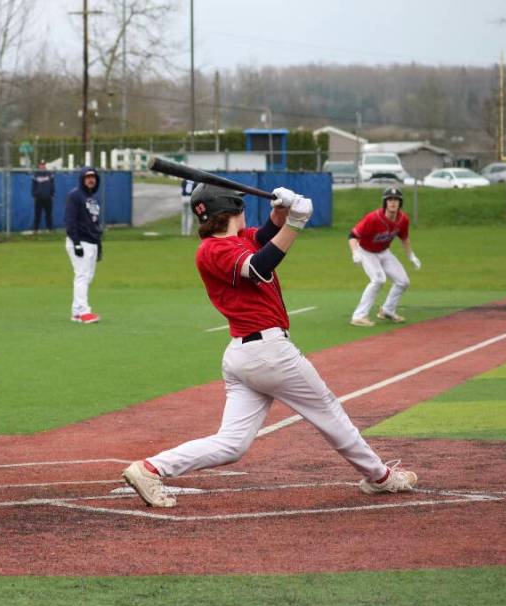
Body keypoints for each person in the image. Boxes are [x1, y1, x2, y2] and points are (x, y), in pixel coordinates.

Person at [121, 184, 417, 508]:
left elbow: (264, 238)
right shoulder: (214, 250)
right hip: (269, 354)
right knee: (329, 411)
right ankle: (381, 477)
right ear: (232, 207)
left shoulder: (235, 240)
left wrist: (281, 211)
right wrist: (297, 223)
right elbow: (261, 266)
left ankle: (150, 469)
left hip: (245, 356)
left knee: (232, 444)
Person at [347, 186, 421, 327]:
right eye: (390, 199)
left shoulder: (403, 219)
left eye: (396, 200)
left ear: (400, 203)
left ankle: (387, 310)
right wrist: (355, 252)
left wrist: (411, 255)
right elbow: (353, 236)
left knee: (403, 281)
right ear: (385, 202)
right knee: (378, 280)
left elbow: (404, 238)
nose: (393, 202)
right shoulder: (373, 218)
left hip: (383, 252)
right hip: (366, 251)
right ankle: (359, 316)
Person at [64, 167, 102, 324]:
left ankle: (76, 312)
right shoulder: (75, 196)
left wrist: (99, 245)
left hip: (91, 241)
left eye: (93, 177)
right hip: (80, 241)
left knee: (87, 277)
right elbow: (70, 220)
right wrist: (76, 243)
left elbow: (95, 223)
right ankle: (85, 312)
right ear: (82, 179)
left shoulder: (93, 198)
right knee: (82, 275)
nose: (91, 180)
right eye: (87, 177)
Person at [31, 161, 55, 234]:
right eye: (41, 165)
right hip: (39, 198)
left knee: (48, 214)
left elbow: (52, 185)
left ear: (45, 165)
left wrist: (52, 194)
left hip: (48, 197)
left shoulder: (49, 174)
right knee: (37, 214)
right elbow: (33, 186)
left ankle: (49, 229)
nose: (42, 166)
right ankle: (36, 230)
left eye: (43, 165)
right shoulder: (35, 174)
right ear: (39, 166)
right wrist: (34, 194)